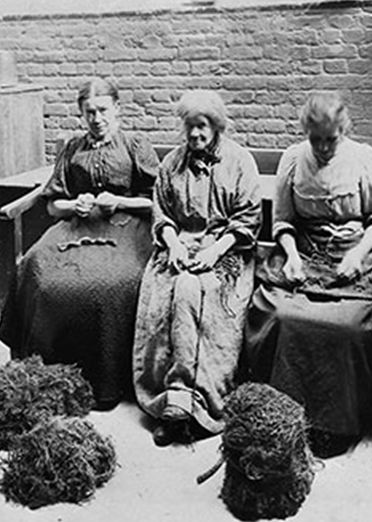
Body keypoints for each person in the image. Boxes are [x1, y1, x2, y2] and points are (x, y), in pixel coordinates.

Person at [0, 77, 160, 410]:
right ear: (82, 114)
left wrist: (119, 201)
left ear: (117, 109)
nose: (97, 119)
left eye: (103, 111)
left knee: (109, 284)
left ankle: (106, 382)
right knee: (37, 270)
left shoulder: (135, 145)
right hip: (75, 227)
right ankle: (42, 372)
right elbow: (52, 204)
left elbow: (158, 201)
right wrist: (75, 205)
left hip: (126, 228)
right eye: (90, 113)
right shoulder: (73, 149)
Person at [244, 92, 372, 456]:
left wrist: (359, 253)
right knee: (281, 315)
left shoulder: (363, 159)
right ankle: (286, 417)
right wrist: (290, 255)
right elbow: (283, 222)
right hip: (306, 254)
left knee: (347, 325)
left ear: (344, 131)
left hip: (356, 256)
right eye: (316, 140)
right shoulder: (292, 159)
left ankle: (338, 423)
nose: (323, 148)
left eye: (331, 140)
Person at [133, 90, 262, 446]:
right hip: (178, 250)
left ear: (216, 126)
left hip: (227, 254)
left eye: (202, 127)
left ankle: (201, 402)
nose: (194, 135)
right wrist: (173, 243)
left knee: (195, 294)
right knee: (168, 295)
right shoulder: (172, 163)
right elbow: (161, 209)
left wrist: (216, 250)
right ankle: (171, 403)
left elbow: (249, 217)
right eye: (189, 127)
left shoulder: (239, 161)